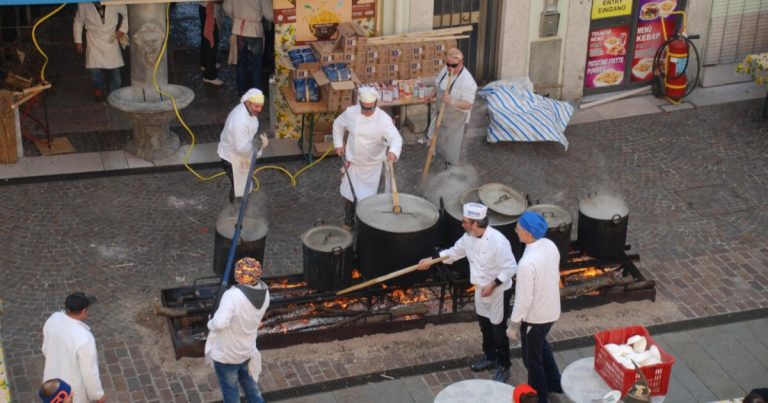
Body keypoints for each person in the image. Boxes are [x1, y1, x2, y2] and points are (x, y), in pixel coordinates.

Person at [418, 202, 516, 382]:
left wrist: (493, 285)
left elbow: (510, 268)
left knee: (498, 330)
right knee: (485, 326)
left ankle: (504, 365)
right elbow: (453, 253)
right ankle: (490, 356)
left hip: (498, 292)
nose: (462, 225)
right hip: (480, 289)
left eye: (465, 222)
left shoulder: (499, 242)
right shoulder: (468, 237)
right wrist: (431, 261)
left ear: (476, 224)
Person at [508, 211, 563, 403]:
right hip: (552, 310)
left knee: (532, 360)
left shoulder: (526, 263)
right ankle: (555, 382)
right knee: (542, 346)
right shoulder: (550, 245)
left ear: (529, 234)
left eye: (519, 228)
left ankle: (539, 396)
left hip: (536, 317)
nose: (516, 231)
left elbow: (523, 299)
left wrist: (513, 325)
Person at [332, 87, 403, 228]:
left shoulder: (383, 119)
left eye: (371, 109)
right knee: (348, 193)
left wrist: (393, 152)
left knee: (372, 197)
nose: (368, 112)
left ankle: (369, 224)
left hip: (373, 166)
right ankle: (348, 222)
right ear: (360, 103)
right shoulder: (351, 113)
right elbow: (338, 125)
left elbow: (396, 138)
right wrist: (338, 144)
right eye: (365, 108)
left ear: (376, 103)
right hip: (355, 163)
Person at [205, 257, 270, 403]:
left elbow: (220, 323)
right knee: (252, 388)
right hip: (247, 350)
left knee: (231, 392)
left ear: (238, 275)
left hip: (228, 354)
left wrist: (210, 323)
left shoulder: (233, 296)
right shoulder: (265, 293)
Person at [42, 292, 106, 403]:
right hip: (71, 392)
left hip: (51, 385)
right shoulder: (85, 338)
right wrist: (98, 395)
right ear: (84, 311)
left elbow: (45, 349)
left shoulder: (53, 319)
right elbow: (89, 371)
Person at [423, 47, 478, 167]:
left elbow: (469, 104)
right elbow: (438, 85)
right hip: (442, 116)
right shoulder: (446, 69)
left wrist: (452, 101)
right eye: (447, 64)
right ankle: (444, 166)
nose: (450, 68)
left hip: (456, 120)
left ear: (461, 63)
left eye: (453, 66)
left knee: (453, 151)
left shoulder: (468, 81)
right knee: (440, 144)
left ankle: (452, 176)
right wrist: (431, 94)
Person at [73, 2, 128, 101]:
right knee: (94, 70)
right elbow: (78, 21)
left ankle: (114, 94)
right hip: (94, 39)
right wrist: (78, 41)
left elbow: (126, 13)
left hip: (111, 38)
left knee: (115, 72)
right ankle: (99, 89)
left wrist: (122, 30)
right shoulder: (83, 4)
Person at [217, 88, 265, 202]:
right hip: (232, 158)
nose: (259, 109)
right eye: (256, 106)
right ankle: (236, 211)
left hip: (238, 154)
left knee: (242, 185)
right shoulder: (240, 121)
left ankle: (240, 209)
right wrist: (260, 146)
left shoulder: (248, 109)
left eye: (261, 106)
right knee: (240, 188)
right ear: (248, 103)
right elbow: (242, 148)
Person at [223, 0, 273, 95]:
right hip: (254, 30)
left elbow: (227, 8)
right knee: (256, 64)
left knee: (241, 61)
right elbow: (269, 14)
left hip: (239, 29)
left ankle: (242, 90)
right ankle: (255, 93)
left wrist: (236, 18)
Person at [200, 1, 224, 86]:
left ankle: (206, 64)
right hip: (210, 9)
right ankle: (209, 75)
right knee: (211, 40)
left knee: (206, 37)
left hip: (205, 6)